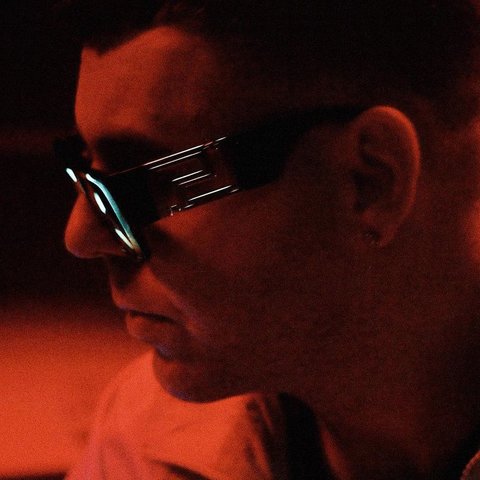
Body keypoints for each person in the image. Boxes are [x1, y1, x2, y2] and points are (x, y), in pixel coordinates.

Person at [56, 1, 480, 478]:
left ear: (370, 181)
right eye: (82, 167)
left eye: (151, 183)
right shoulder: (142, 437)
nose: (81, 237)